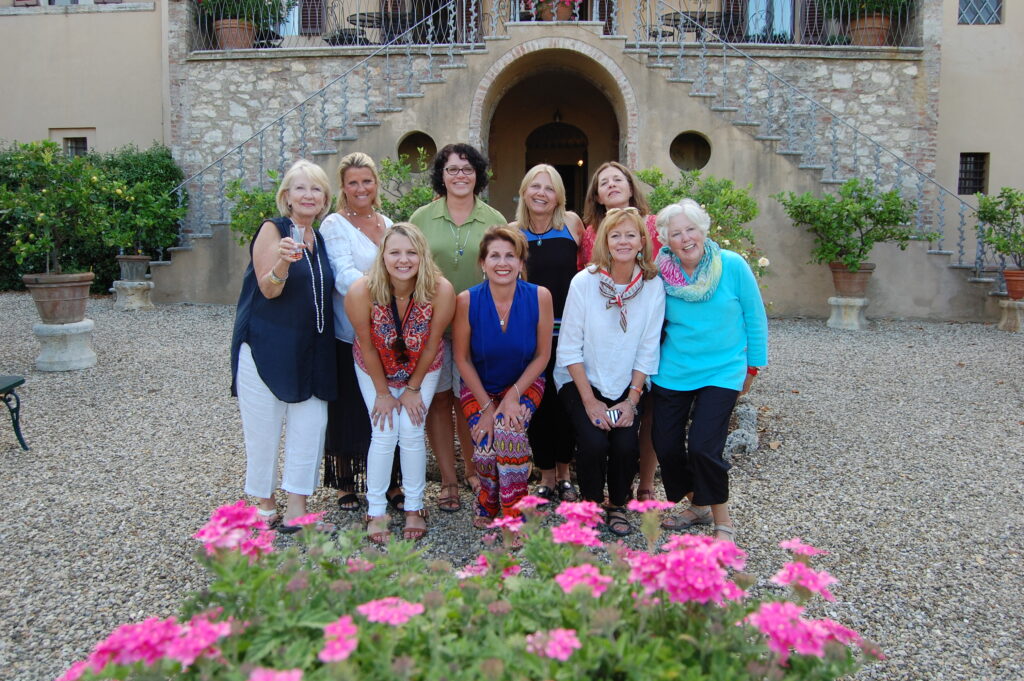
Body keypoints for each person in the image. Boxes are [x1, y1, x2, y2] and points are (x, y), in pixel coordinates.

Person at [650, 199, 768, 543]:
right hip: (674, 369)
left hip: (723, 369)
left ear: (703, 231)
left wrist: (753, 368)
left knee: (704, 446)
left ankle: (722, 521)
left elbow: (755, 318)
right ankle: (696, 504)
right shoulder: (659, 274)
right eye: (676, 233)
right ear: (665, 241)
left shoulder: (731, 266)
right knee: (666, 445)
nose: (686, 238)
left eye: (691, 229)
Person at [230, 159, 336, 533]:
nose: (309, 195)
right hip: (266, 346)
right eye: (301, 188)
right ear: (286, 197)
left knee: (311, 425)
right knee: (264, 428)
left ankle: (297, 508)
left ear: (325, 199)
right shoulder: (273, 231)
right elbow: (268, 288)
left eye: (316, 189)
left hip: (313, 348)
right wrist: (283, 264)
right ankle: (264, 503)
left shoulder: (320, 239)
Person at [556, 207, 665, 537]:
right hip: (581, 381)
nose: (623, 241)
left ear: (642, 241)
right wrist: (590, 402)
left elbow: (648, 350)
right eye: (615, 234)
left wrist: (631, 402)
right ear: (604, 241)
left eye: (630, 234)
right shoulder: (584, 283)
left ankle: (617, 505)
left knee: (623, 445)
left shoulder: (652, 287)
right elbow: (570, 348)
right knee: (592, 442)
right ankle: (591, 503)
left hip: (627, 384)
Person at [345, 223, 455, 543]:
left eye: (411, 252)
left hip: (422, 365)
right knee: (383, 430)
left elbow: (434, 342)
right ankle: (376, 509)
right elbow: (366, 345)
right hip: (375, 366)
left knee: (410, 429)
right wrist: (382, 393)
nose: (403, 260)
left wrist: (412, 389)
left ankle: (415, 507)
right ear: (383, 256)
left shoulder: (440, 290)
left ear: (423, 256)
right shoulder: (360, 291)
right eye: (395, 252)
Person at [410, 143, 505, 512]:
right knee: (439, 400)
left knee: (470, 400)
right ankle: (448, 481)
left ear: (478, 174)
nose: (460, 175)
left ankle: (474, 470)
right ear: (441, 175)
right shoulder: (422, 218)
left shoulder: (494, 217)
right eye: (452, 169)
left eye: (467, 169)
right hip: (432, 326)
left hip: (478, 326)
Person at [453, 226, 553, 527]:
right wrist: (487, 408)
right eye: (494, 256)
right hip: (479, 384)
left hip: (526, 382)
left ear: (521, 262)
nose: (503, 262)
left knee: (509, 435)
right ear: (483, 263)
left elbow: (542, 356)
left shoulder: (540, 296)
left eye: (511, 256)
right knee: (484, 444)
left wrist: (512, 396)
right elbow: (462, 358)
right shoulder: (466, 300)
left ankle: (515, 514)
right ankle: (488, 499)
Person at [320, 152, 404, 513]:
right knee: (351, 410)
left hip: (390, 335)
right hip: (350, 330)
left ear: (376, 184)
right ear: (343, 187)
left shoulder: (387, 222)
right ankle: (346, 483)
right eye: (352, 182)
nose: (360, 188)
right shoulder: (334, 224)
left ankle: (390, 483)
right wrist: (385, 291)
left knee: (388, 407)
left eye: (366, 181)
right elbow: (342, 273)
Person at [579, 161, 663, 503]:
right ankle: (598, 489)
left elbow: (659, 269)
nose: (612, 185)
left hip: (647, 318)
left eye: (618, 179)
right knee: (599, 434)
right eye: (604, 182)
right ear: (597, 195)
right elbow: (588, 281)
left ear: (630, 186)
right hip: (602, 328)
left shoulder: (653, 225)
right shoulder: (588, 232)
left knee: (646, 412)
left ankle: (643, 481)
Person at [509, 164, 584, 502]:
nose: (541, 193)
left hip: (570, 331)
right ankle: (547, 475)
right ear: (524, 192)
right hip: (530, 334)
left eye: (549, 188)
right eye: (534, 186)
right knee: (537, 406)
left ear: (559, 197)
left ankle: (567, 473)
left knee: (566, 402)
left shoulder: (572, 225)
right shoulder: (511, 231)